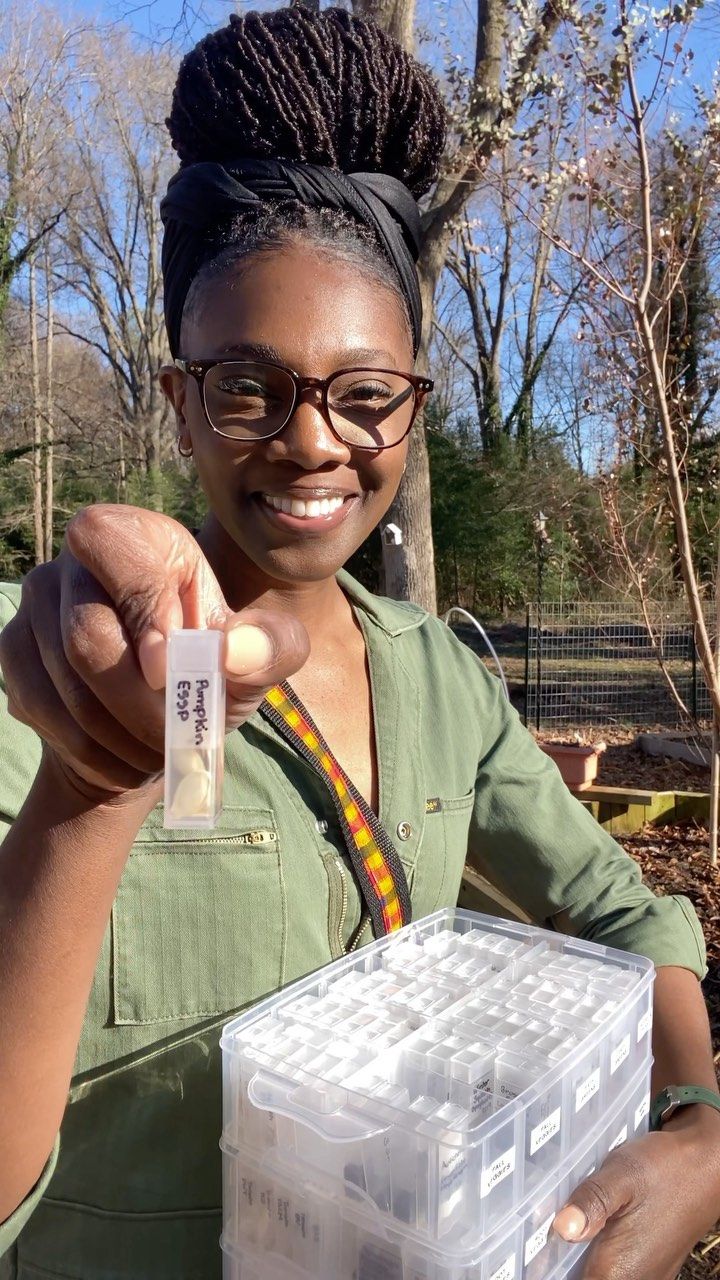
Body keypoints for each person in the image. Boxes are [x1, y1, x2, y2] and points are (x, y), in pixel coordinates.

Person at [0, 7, 718, 1279]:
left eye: (365, 392)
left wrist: (705, 1124)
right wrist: (88, 787)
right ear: (179, 400)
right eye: (247, 385)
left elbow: (620, 910)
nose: (316, 438)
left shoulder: (441, 678)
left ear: (413, 404)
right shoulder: (56, 680)